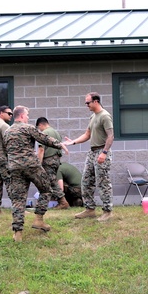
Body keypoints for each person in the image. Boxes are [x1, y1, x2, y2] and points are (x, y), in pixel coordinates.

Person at [3, 106, 68, 242]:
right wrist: (60, 144)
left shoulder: (7, 132)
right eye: (26, 115)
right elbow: (43, 138)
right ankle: (39, 219)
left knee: (18, 199)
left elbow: (6, 150)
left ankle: (18, 233)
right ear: (21, 116)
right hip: (31, 166)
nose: (28, 117)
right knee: (46, 189)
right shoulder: (27, 128)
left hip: (14, 167)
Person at [63, 92, 115, 221]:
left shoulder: (105, 116)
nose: (86, 105)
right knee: (86, 181)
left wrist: (104, 152)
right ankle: (89, 209)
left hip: (101, 151)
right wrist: (73, 142)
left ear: (96, 101)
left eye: (88, 102)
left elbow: (111, 136)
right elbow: (87, 134)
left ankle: (107, 211)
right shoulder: (93, 117)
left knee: (103, 182)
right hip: (92, 152)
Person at [36, 116, 68, 210]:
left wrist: (39, 164)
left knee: (51, 181)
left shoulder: (44, 133)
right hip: (56, 160)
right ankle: (45, 203)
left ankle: (63, 202)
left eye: (39, 127)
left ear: (41, 125)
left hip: (48, 160)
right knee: (50, 181)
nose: (39, 129)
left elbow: (41, 150)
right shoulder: (56, 132)